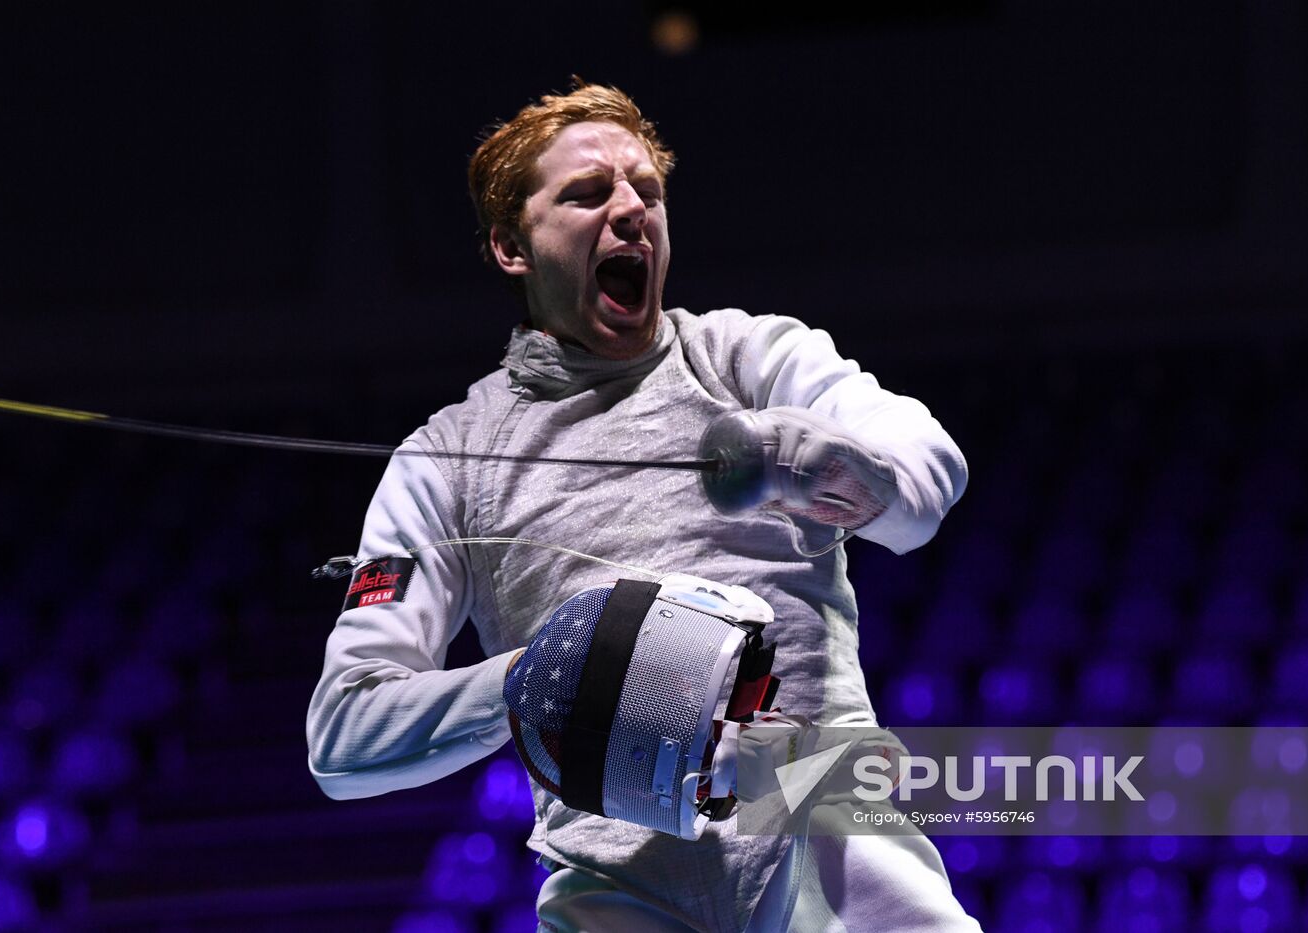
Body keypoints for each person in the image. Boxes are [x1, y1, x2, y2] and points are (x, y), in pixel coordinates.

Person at [306, 81, 978, 932]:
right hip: (615, 882)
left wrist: (817, 458)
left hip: (825, 820)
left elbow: (926, 484)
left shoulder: (751, 356)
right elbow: (344, 738)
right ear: (513, 246)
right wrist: (533, 679)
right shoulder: (445, 460)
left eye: (647, 191)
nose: (631, 210)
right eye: (588, 193)